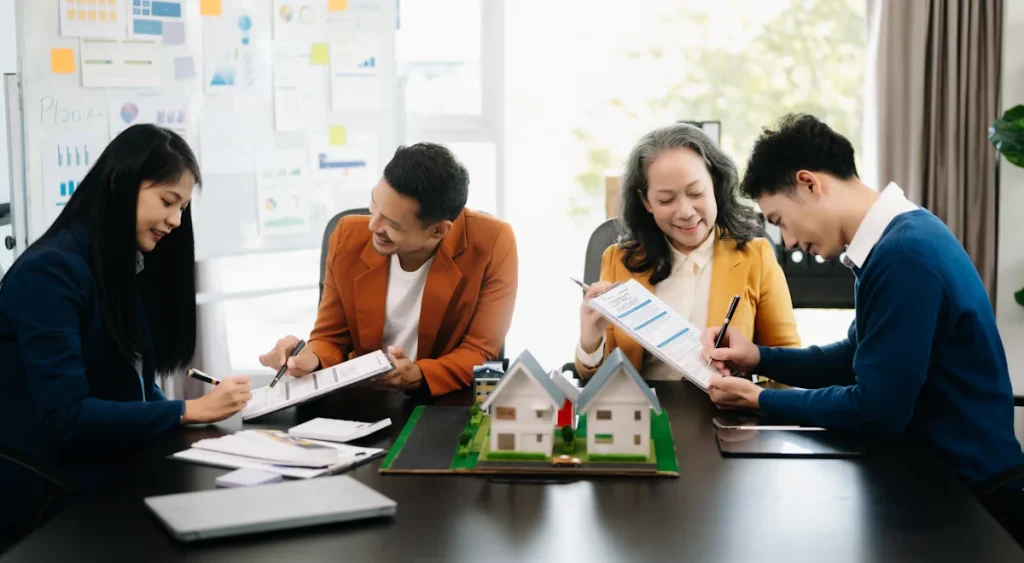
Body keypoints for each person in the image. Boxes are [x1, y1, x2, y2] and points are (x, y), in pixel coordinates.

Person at [701, 113, 1024, 545]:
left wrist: (762, 399)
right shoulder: (897, 238)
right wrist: (759, 357)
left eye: (779, 221)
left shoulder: (904, 256)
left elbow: (878, 410)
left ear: (810, 183)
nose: (790, 242)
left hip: (974, 497)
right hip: (940, 477)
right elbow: (854, 357)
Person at [0, 124, 252, 545]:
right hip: (46, 489)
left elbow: (129, 386)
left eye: (184, 208)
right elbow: (69, 418)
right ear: (120, 182)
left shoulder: (117, 265)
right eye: (168, 202)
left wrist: (182, 413)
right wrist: (186, 412)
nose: (175, 220)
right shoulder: (51, 273)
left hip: (100, 469)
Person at [260, 142, 517, 396]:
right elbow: (331, 338)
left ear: (438, 230)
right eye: (374, 206)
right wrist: (308, 358)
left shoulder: (493, 242)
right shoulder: (348, 236)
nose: (373, 225)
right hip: (366, 398)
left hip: (444, 400)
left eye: (392, 223)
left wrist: (418, 374)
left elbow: (481, 351)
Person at [574, 123, 800, 381]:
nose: (685, 212)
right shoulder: (619, 261)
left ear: (714, 184)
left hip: (724, 415)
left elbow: (787, 362)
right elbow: (598, 382)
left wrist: (756, 398)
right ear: (646, 201)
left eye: (695, 192)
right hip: (643, 415)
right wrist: (590, 341)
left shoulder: (755, 257)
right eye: (666, 200)